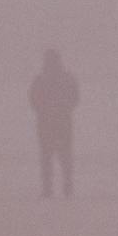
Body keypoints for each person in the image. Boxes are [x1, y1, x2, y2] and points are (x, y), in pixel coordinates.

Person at [28, 48, 79, 199]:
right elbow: (75, 97)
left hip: (47, 122)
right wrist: (65, 108)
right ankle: (66, 186)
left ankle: (49, 188)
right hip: (62, 122)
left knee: (48, 157)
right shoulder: (67, 78)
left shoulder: (41, 79)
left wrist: (42, 110)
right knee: (63, 157)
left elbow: (33, 98)